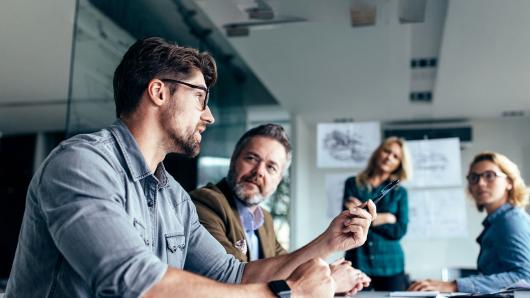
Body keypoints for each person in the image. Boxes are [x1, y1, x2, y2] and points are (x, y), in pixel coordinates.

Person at [5, 37, 376, 297]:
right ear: (159, 92)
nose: (209, 115)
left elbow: (235, 275)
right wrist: (286, 293)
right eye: (199, 98)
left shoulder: (173, 198)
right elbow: (133, 283)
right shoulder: (81, 164)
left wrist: (330, 241)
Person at [190, 123, 371, 294]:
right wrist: (330, 280)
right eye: (251, 158)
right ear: (233, 160)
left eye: (271, 167)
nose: (259, 171)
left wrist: (329, 272)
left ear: (278, 181)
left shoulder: (264, 219)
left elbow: (288, 267)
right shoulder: (205, 203)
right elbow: (234, 280)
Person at [409, 151, 530, 293]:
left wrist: (454, 285)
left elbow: (525, 277)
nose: (480, 183)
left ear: (509, 182)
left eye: (489, 175)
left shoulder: (511, 221)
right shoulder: (497, 222)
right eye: (474, 178)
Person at [343, 137, 412, 291]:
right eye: (387, 151)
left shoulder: (400, 193)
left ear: (399, 164)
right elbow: (349, 223)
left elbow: (399, 230)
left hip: (391, 265)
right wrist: (386, 218)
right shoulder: (352, 184)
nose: (389, 157)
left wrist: (367, 218)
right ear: (378, 152)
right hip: (358, 261)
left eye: (396, 156)